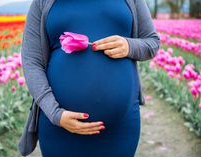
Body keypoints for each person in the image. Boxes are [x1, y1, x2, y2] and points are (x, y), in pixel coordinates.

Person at [20, 0, 160, 156]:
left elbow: (152, 42)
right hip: (60, 128)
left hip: (119, 129)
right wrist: (55, 114)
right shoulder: (43, 2)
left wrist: (129, 46)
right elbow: (32, 61)